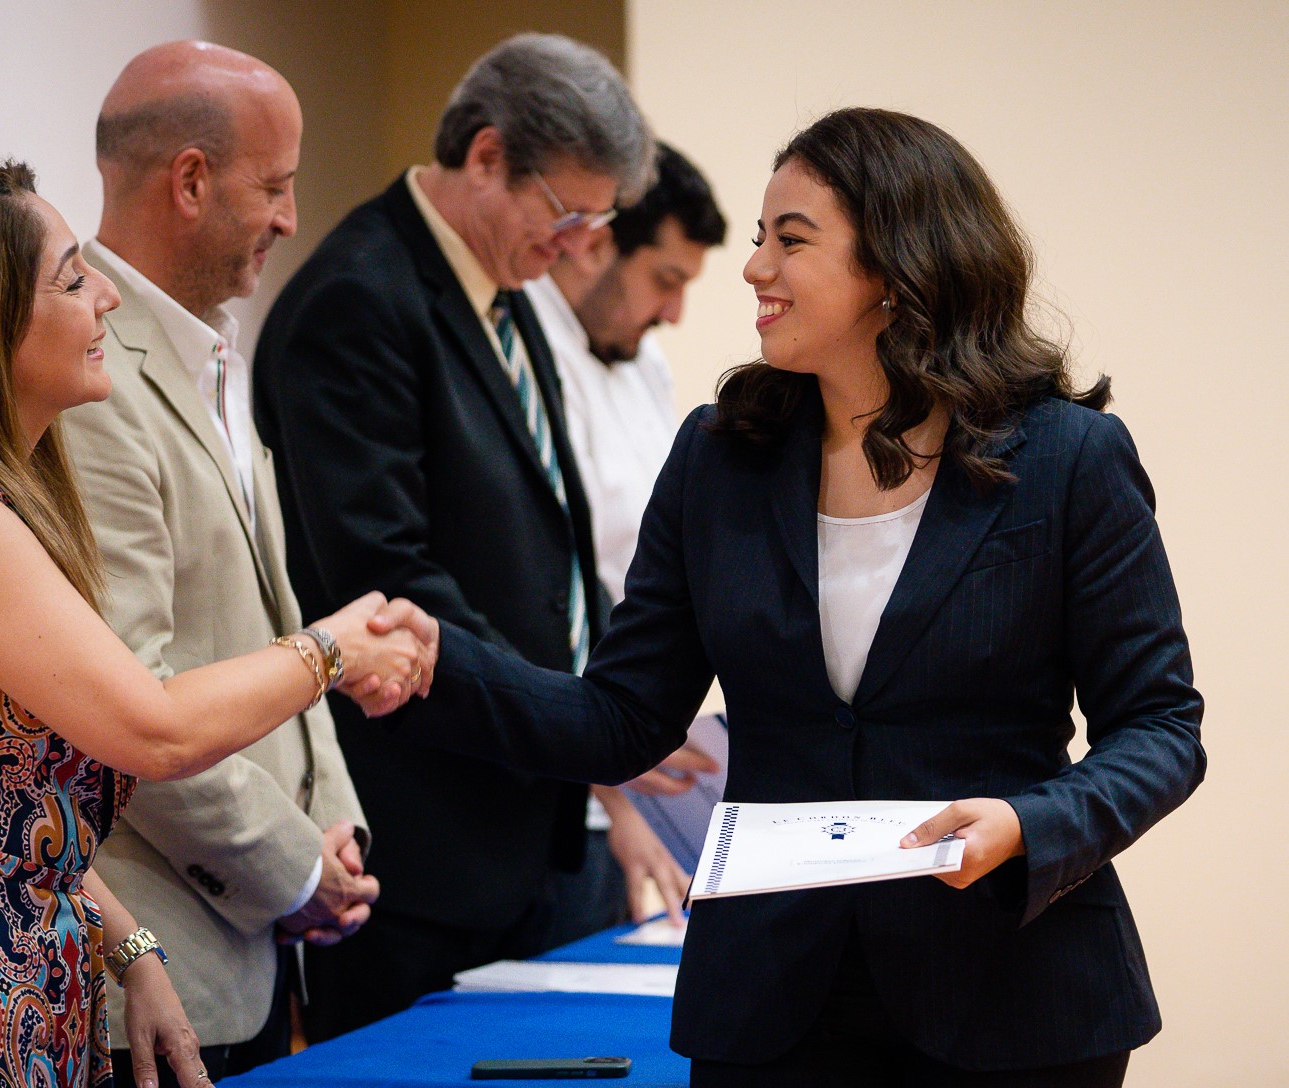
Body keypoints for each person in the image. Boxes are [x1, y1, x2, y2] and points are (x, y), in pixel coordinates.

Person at [385, 108, 1205, 1085]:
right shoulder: (717, 458)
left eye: (790, 239)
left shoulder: (1068, 459)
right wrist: (439, 658)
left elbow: (1158, 724)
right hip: (771, 1002)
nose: (752, 268)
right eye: (757, 238)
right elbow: (621, 715)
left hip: (1012, 995)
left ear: (895, 268)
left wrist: (1033, 823)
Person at [0, 161, 433, 1088]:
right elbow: (157, 727)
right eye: (71, 278)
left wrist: (132, 949)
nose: (105, 294)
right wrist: (332, 648)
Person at [252, 33, 652, 1038]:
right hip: (419, 849)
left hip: (529, 832)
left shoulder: (503, 294)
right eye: (564, 211)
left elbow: (553, 547)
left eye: (594, 221)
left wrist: (622, 695)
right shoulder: (359, 296)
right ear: (484, 156)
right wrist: (574, 720)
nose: (575, 242)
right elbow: (388, 580)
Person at [61, 42, 377, 1086]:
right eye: (275, 187)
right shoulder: (86, 377)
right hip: (153, 965)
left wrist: (329, 822)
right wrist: (289, 867)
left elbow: (275, 623)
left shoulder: (205, 348)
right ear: (190, 181)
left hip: (246, 945)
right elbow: (127, 695)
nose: (290, 218)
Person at [525, 140, 728, 945]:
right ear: (599, 243)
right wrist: (610, 784)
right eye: (665, 280)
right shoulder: (528, 361)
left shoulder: (643, 367)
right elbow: (541, 596)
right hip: (557, 772)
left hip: (627, 773)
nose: (673, 312)